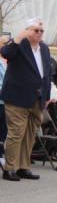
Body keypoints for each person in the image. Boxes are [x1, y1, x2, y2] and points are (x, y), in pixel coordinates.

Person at [2, 18, 51, 181]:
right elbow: (6, 53)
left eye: (41, 31)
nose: (39, 33)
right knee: (16, 134)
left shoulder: (44, 48)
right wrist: (17, 38)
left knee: (30, 134)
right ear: (26, 31)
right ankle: (10, 168)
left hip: (37, 99)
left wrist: (47, 96)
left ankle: (23, 167)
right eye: (35, 30)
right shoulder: (18, 45)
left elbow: (47, 73)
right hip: (17, 98)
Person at [0, 37, 8, 167]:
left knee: (3, 130)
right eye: (4, 44)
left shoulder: (6, 61)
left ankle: (1, 153)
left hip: (7, 102)